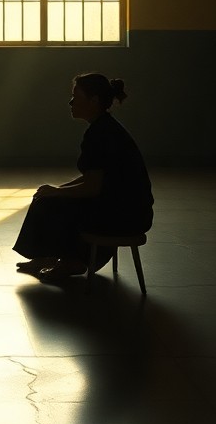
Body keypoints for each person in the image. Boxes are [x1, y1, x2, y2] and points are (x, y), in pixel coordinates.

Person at [13, 73, 154, 278]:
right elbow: (96, 176)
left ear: (93, 100)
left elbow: (92, 187)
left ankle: (71, 262)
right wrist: (58, 190)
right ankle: (48, 256)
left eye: (76, 97)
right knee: (49, 196)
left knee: (51, 203)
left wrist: (57, 192)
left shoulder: (100, 134)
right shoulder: (105, 127)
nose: (71, 102)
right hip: (131, 211)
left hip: (124, 215)